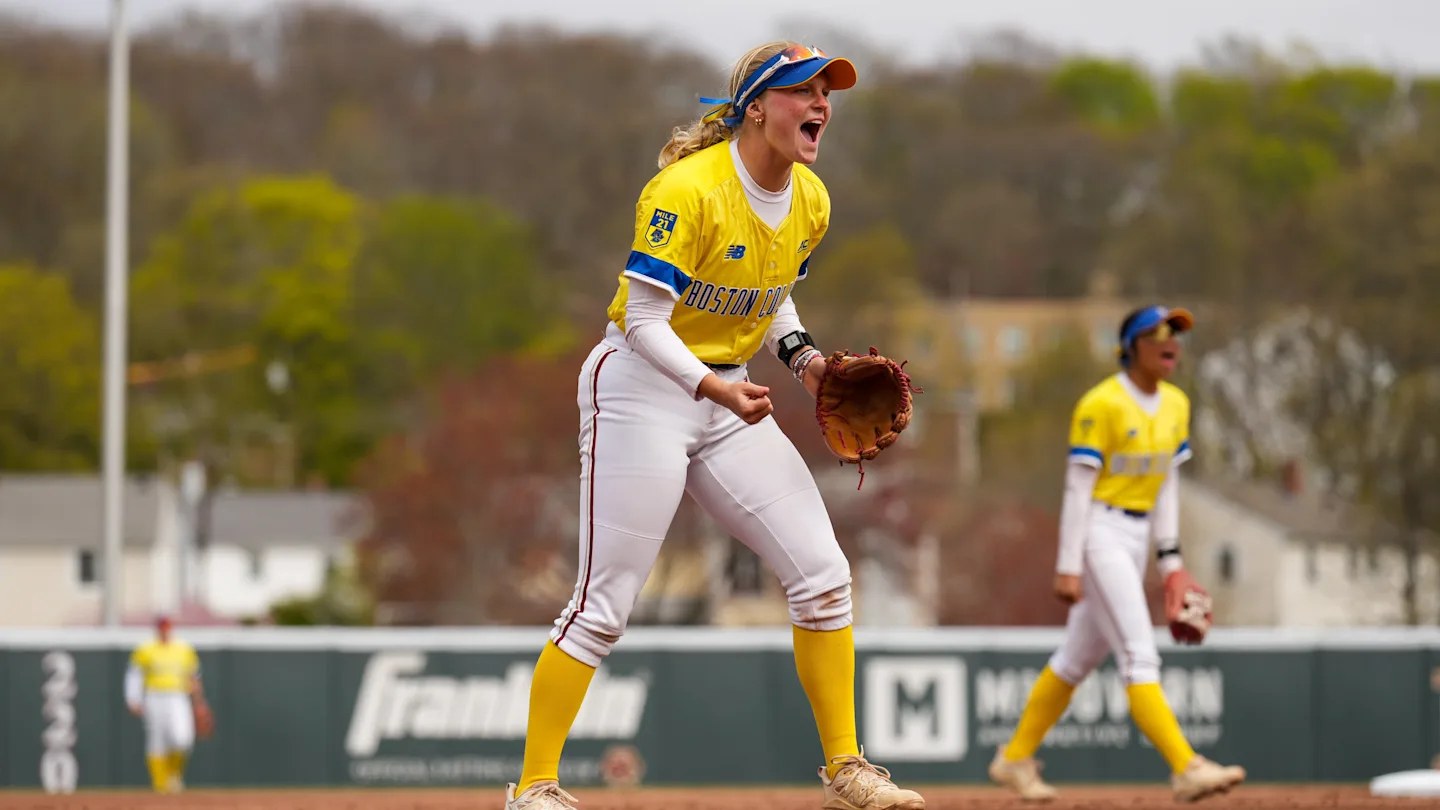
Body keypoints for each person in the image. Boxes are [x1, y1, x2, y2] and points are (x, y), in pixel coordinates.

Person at [504, 41, 925, 810]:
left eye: (829, 92)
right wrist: (708, 385)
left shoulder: (811, 200)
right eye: (804, 90)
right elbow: (641, 316)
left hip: (729, 394)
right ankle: (534, 788)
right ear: (758, 106)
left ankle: (847, 768)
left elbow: (771, 299)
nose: (822, 104)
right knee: (604, 604)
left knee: (825, 578)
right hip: (638, 388)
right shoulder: (686, 189)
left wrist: (807, 365)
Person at [988, 305, 1247, 804]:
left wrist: (1171, 562)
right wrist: (1068, 565)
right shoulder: (1102, 403)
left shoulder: (1175, 404)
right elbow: (1076, 491)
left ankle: (1015, 758)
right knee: (1138, 653)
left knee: (1076, 659)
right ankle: (1185, 766)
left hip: (1138, 534)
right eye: (1158, 333)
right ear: (1131, 346)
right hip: (1099, 532)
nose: (1171, 342)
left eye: (1176, 333)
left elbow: (1167, 484)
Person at [124, 615, 208, 794]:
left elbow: (194, 677)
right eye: (162, 627)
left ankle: (173, 775)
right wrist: (134, 699)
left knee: (182, 738)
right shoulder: (146, 649)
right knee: (157, 740)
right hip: (154, 696)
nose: (164, 631)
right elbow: (134, 676)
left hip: (178, 696)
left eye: (167, 627)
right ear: (157, 629)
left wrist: (199, 702)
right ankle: (160, 784)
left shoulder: (183, 649)